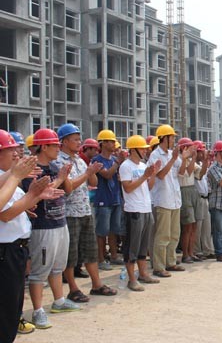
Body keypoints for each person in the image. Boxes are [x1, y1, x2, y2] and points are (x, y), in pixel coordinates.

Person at [0, 131, 62, 341]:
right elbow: (5, 214)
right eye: (10, 150)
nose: (17, 154)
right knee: (6, 311)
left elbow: (14, 206)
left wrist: (32, 198)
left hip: (15, 249)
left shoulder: (7, 177)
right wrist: (31, 193)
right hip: (5, 251)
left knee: (12, 308)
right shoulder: (9, 178)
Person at [24, 129, 81, 329]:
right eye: (54, 145)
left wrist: (64, 175)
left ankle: (59, 300)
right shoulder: (32, 170)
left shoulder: (55, 166)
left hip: (59, 221)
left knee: (58, 266)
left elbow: (68, 189)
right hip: (42, 225)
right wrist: (59, 178)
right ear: (44, 146)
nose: (58, 148)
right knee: (40, 270)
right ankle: (38, 310)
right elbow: (34, 197)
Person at [54, 124, 117, 304]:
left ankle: (97, 284)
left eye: (79, 139)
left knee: (90, 250)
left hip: (84, 210)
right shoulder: (59, 161)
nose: (78, 142)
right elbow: (69, 187)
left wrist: (92, 172)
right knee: (71, 254)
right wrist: (88, 173)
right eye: (75, 139)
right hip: (69, 213)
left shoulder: (80, 161)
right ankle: (73, 289)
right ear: (64, 141)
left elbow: (93, 182)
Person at [147, 124, 192, 277]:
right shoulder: (155, 155)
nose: (173, 140)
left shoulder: (173, 154)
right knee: (163, 235)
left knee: (174, 234)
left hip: (175, 200)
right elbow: (160, 175)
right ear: (164, 138)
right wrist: (173, 159)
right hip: (163, 200)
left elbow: (181, 172)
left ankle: (170, 262)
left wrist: (183, 159)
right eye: (171, 137)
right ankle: (159, 266)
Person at [119, 135, 161, 291]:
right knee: (132, 246)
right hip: (133, 210)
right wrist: (145, 176)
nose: (145, 151)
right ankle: (131, 279)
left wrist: (153, 174)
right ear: (133, 149)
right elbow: (128, 188)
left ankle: (143, 274)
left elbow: (148, 186)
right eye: (142, 149)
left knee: (143, 246)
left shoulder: (143, 166)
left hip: (145, 208)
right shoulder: (126, 166)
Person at [92, 129, 127, 270]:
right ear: (104, 143)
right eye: (111, 142)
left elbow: (117, 176)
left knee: (114, 230)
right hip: (103, 200)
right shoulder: (97, 160)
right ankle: (100, 259)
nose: (114, 144)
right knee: (102, 232)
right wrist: (118, 163)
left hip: (115, 198)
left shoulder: (113, 160)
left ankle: (113, 256)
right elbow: (106, 175)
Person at [176, 137, 202, 264]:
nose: (193, 149)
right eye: (190, 147)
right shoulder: (179, 159)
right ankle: (185, 254)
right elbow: (188, 172)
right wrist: (191, 159)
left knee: (194, 225)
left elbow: (199, 174)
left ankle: (191, 252)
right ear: (184, 148)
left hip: (192, 190)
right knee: (187, 225)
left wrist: (203, 160)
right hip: (184, 190)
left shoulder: (190, 160)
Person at [192, 141, 214, 259]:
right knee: (198, 226)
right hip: (198, 197)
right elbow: (200, 175)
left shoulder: (200, 163)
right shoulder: (193, 164)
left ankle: (207, 249)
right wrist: (206, 161)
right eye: (201, 151)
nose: (203, 154)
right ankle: (197, 250)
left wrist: (205, 161)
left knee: (207, 226)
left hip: (205, 197)